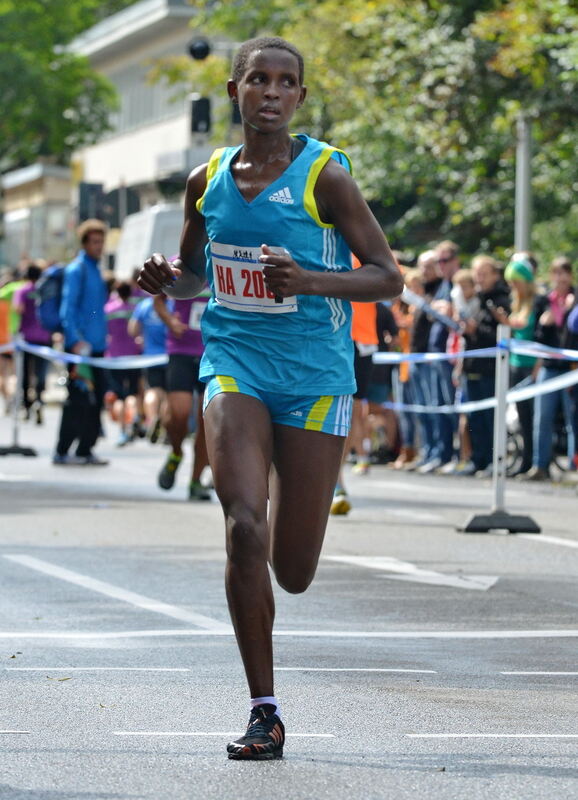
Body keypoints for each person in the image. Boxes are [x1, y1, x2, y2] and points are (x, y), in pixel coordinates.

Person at [137, 36, 402, 760]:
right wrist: (168, 279)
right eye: (259, 79)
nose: (273, 93)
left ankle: (293, 488)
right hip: (235, 365)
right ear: (235, 91)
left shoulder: (326, 178)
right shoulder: (207, 179)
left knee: (294, 571)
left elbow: (387, 277)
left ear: (301, 99)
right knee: (243, 526)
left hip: (316, 378)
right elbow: (197, 277)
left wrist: (310, 280)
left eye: (287, 82)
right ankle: (265, 710)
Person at [53, 219, 109, 466]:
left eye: (101, 241)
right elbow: (68, 308)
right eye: (95, 242)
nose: (99, 246)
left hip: (96, 349)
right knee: (77, 401)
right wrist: (75, 340)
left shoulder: (96, 270)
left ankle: (85, 449)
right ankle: (62, 449)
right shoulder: (77, 270)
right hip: (79, 350)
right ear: (85, 243)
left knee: (95, 400)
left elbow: (95, 310)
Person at [520, 256, 575, 481]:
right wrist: (545, 324)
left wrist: (569, 312)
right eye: (556, 273)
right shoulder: (545, 301)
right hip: (550, 367)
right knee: (542, 419)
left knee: (574, 419)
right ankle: (539, 465)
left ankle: (573, 466)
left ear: (570, 275)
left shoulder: (576, 298)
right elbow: (537, 338)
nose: (560, 278)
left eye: (564, 273)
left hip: (572, 367)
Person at [152, 292, 212, 501]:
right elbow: (158, 298)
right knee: (179, 413)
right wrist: (169, 321)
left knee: (208, 421)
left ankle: (195, 481)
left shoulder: (227, 260)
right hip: (181, 350)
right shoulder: (181, 263)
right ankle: (176, 452)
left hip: (214, 351)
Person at [459, 255, 511, 477]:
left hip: (492, 369)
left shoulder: (503, 300)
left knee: (491, 417)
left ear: (495, 275)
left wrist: (476, 330)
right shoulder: (477, 299)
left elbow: (503, 337)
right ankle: (478, 459)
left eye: (484, 273)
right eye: (477, 273)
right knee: (475, 417)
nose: (479, 278)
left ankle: (493, 460)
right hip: (473, 367)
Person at [104, 280, 143, 447]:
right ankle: (134, 417)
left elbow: (105, 332)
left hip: (114, 357)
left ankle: (122, 431)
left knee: (118, 396)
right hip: (133, 356)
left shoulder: (109, 309)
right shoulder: (135, 310)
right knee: (132, 393)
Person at [12, 264, 53, 424]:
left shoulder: (22, 290)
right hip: (44, 337)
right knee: (41, 373)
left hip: (26, 338)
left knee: (24, 373)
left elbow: (18, 309)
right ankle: (39, 400)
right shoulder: (44, 289)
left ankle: (27, 405)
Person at [128, 295, 168, 442]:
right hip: (169, 355)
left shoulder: (143, 306)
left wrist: (142, 337)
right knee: (166, 395)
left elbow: (132, 330)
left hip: (150, 356)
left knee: (152, 391)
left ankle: (152, 419)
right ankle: (164, 425)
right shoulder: (170, 304)